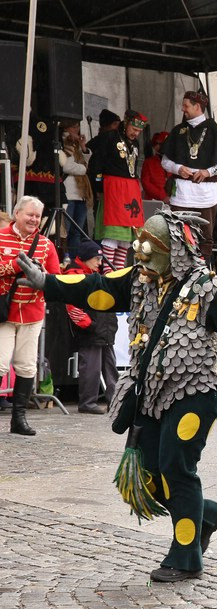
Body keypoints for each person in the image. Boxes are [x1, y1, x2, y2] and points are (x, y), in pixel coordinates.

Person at [20, 209, 217, 582]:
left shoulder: (207, 288)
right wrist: (47, 281)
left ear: (174, 250)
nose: (139, 251)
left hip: (196, 392)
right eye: (139, 241)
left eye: (149, 245)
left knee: (176, 468)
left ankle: (186, 558)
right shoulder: (140, 280)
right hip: (152, 393)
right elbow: (96, 288)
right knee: (148, 476)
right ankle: (203, 515)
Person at [159, 90, 217, 267]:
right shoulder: (178, 130)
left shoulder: (214, 130)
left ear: (197, 107)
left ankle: (202, 275)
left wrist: (209, 171)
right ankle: (178, 273)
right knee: (177, 234)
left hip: (206, 194)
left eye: (186, 106)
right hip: (181, 192)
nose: (183, 109)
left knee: (205, 238)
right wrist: (178, 168)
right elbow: (165, 160)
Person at [0, 196, 60, 435]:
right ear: (17, 214)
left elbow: (57, 278)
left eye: (37, 216)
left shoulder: (46, 244)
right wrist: (18, 265)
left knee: (26, 366)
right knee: (0, 363)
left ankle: (19, 419)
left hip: (32, 312)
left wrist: (42, 275)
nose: (34, 220)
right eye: (30, 215)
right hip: (4, 312)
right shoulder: (1, 236)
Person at [63, 243, 119, 414]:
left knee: (110, 368)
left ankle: (115, 401)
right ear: (86, 258)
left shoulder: (94, 275)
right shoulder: (74, 275)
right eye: (97, 259)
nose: (100, 263)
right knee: (91, 368)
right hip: (90, 330)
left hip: (104, 329)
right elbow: (71, 305)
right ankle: (87, 403)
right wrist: (89, 325)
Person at [88, 110, 147, 269]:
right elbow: (96, 164)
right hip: (114, 188)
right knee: (113, 233)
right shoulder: (110, 137)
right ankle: (108, 272)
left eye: (139, 131)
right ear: (126, 124)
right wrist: (99, 186)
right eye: (134, 129)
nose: (136, 133)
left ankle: (118, 271)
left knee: (125, 237)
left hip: (130, 190)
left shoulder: (135, 143)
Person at [60, 119, 93, 255]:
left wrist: (83, 147)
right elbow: (67, 166)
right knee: (65, 231)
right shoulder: (63, 142)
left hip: (81, 194)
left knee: (77, 232)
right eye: (73, 127)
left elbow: (87, 163)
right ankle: (65, 259)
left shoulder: (77, 145)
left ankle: (74, 260)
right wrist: (83, 169)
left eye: (77, 127)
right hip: (68, 193)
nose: (76, 130)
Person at [141, 131, 170, 203]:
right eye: (157, 144)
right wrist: (162, 196)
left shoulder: (174, 163)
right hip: (154, 201)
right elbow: (146, 183)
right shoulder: (149, 162)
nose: (160, 146)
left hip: (172, 200)